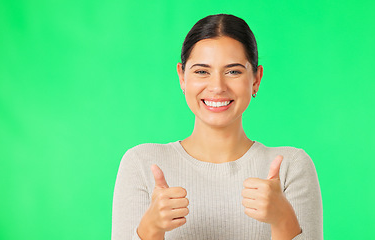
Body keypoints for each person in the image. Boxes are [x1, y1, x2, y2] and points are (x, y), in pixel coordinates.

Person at [112, 14, 323, 240]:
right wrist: (151, 229)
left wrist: (283, 221)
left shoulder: (291, 167)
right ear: (182, 77)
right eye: (202, 71)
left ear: (256, 79)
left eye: (233, 71)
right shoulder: (141, 163)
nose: (217, 87)